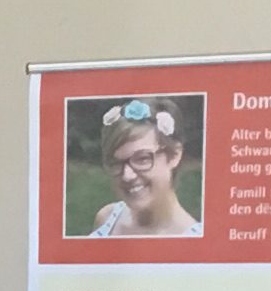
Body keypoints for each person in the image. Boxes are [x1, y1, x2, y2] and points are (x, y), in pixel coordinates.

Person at [85, 97, 202, 239]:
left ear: (174, 155)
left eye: (142, 159)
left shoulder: (194, 240)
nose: (127, 175)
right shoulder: (107, 218)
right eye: (116, 162)